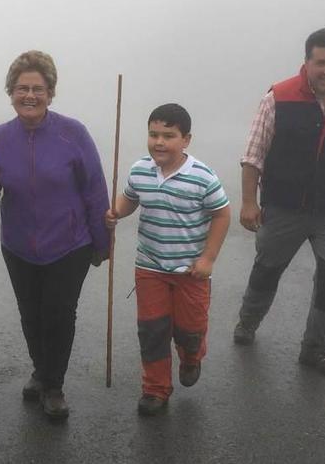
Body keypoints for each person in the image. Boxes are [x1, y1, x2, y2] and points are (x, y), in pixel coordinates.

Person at [233, 28, 325, 378]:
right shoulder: (279, 97)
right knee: (267, 269)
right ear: (307, 62)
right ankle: (247, 322)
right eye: (321, 62)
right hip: (285, 206)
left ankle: (315, 349)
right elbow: (253, 155)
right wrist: (248, 203)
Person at [0, 50, 110, 420]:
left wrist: (102, 243)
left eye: (37, 88)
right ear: (11, 93)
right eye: (21, 88)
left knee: (59, 314)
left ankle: (53, 386)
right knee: (30, 314)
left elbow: (95, 189)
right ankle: (40, 369)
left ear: (50, 93)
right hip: (18, 245)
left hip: (69, 244)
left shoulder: (73, 133)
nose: (29, 95)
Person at [105, 103, 230, 416]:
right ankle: (155, 389)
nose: (159, 142)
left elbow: (222, 214)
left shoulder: (202, 177)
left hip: (192, 271)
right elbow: (130, 199)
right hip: (149, 267)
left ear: (186, 139)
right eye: (153, 134)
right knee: (152, 330)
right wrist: (116, 212)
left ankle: (191, 356)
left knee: (190, 328)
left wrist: (208, 259)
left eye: (168, 136)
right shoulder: (139, 170)